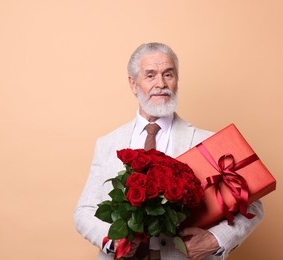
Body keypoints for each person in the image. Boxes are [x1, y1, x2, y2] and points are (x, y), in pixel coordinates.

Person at [73, 42, 264, 260]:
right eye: (150, 75)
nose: (161, 84)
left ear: (177, 80)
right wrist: (110, 239)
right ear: (133, 83)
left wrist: (216, 239)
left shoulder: (209, 142)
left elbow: (254, 205)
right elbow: (84, 211)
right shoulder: (108, 143)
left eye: (168, 74)